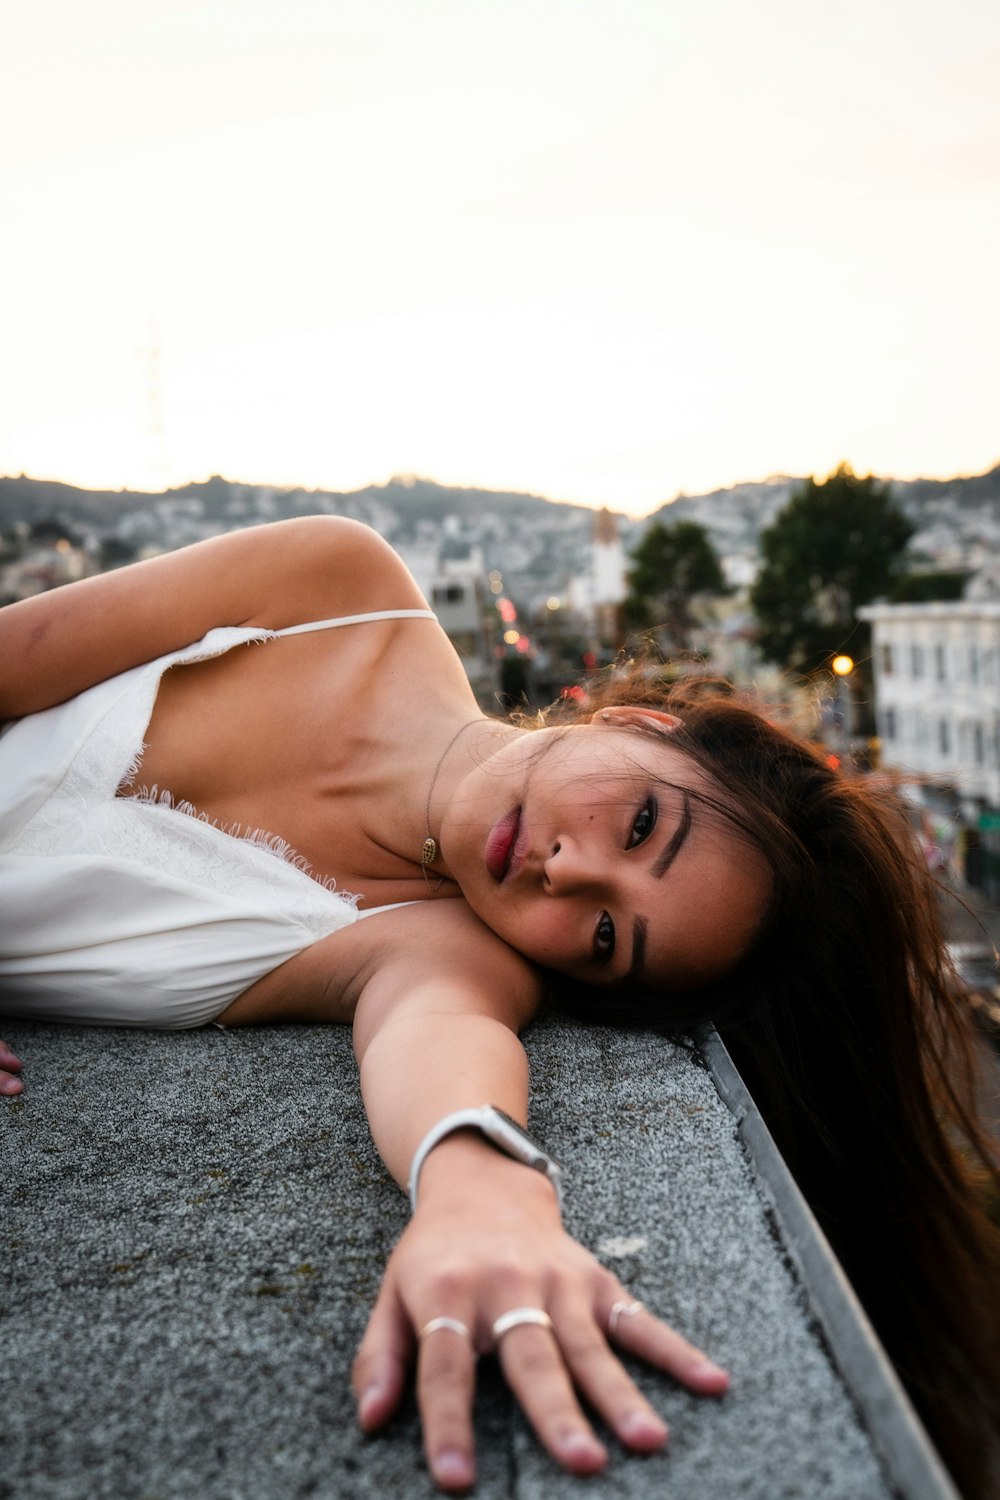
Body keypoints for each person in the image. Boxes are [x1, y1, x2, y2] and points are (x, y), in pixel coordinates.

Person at [1, 517, 997, 1497]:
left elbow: (439, 1034)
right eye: (644, 822)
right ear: (642, 724)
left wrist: (484, 1202)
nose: (570, 873)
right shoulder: (331, 587)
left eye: (609, 937)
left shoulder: (442, 944)